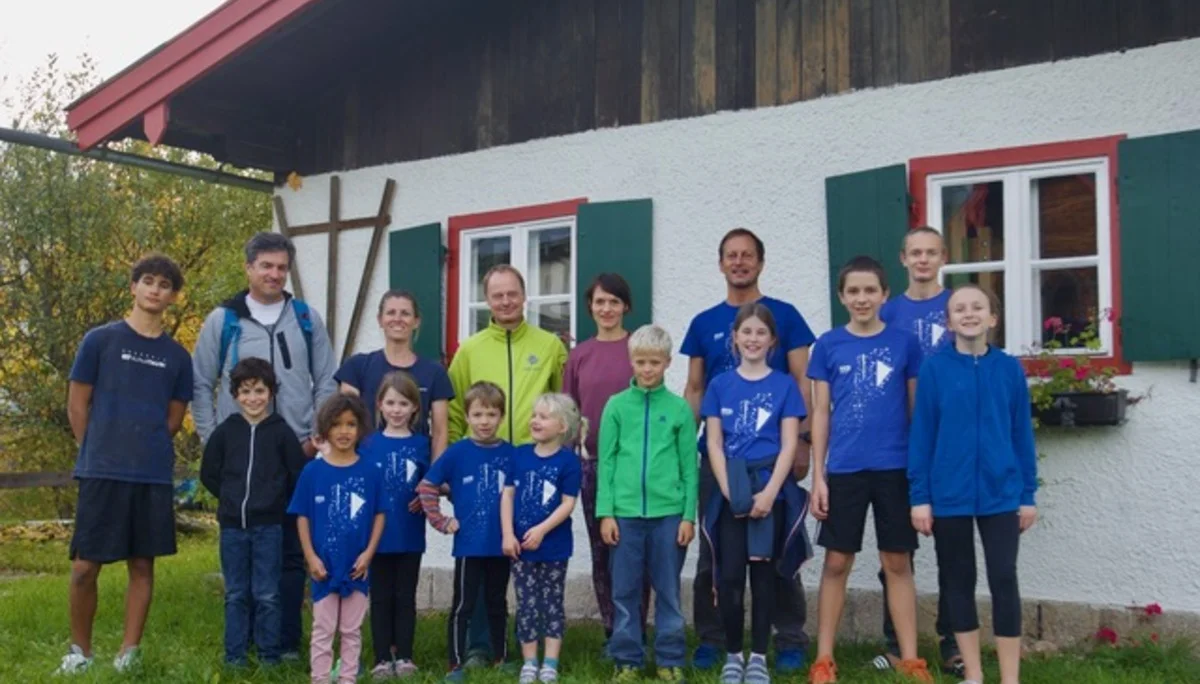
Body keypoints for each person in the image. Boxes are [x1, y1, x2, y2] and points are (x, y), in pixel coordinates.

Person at [193, 231, 338, 659]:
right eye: (266, 266)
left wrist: (315, 437)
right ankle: (245, 643)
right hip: (240, 451)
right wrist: (213, 438)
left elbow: (326, 378)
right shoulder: (224, 321)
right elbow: (202, 382)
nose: (274, 274)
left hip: (296, 448)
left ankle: (285, 642)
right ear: (249, 268)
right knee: (246, 549)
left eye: (281, 267)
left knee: (292, 549)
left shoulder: (306, 318)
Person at [682, 228, 815, 672]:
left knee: (778, 550)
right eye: (731, 256)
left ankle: (789, 637)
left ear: (760, 262)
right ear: (720, 263)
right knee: (715, 550)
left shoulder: (787, 316)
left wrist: (806, 445)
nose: (739, 262)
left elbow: (802, 383)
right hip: (718, 458)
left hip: (773, 455)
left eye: (748, 256)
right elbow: (696, 388)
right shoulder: (703, 323)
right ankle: (712, 637)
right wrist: (687, 449)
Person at [58, 254, 194, 675]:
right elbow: (77, 405)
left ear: (172, 296)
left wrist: (143, 446)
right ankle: (79, 652)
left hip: (150, 474)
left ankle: (128, 653)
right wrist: (97, 449)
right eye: (148, 281)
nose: (155, 289)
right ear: (133, 287)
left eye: (164, 285)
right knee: (84, 568)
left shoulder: (177, 357)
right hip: (101, 471)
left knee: (142, 564)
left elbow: (173, 419)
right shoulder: (99, 340)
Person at [806, 257, 931, 684]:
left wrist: (919, 472)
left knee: (897, 561)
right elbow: (820, 413)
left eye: (870, 291)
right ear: (842, 297)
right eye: (853, 291)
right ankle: (824, 657)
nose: (862, 299)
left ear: (884, 295)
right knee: (837, 561)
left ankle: (910, 659)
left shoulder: (904, 343)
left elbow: (915, 410)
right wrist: (818, 475)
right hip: (844, 468)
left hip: (894, 467)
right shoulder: (827, 345)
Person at [908, 284, 1038, 684]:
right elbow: (922, 436)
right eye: (959, 309)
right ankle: (975, 674)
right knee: (958, 581)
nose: (969, 314)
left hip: (1001, 493)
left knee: (1003, 577)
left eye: (977, 307)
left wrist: (1027, 494)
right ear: (948, 321)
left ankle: (1010, 677)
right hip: (949, 496)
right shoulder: (935, 369)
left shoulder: (1009, 369)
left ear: (992, 318)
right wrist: (920, 498)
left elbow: (1021, 435)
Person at [446, 264, 567, 664]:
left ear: (524, 295)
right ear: (487, 300)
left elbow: (560, 405)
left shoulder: (550, 345)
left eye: (512, 293)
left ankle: (531, 643)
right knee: (484, 553)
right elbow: (454, 413)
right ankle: (481, 644)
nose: (505, 301)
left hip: (534, 469)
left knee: (535, 553)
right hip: (484, 466)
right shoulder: (470, 349)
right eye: (497, 295)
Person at [701, 304, 810, 684]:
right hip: (732, 486)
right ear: (735, 338)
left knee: (764, 576)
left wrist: (769, 494)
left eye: (760, 333)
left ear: (772, 341)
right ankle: (733, 654)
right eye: (746, 332)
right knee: (730, 575)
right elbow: (714, 442)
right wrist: (730, 491)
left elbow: (788, 445)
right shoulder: (720, 385)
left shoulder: (784, 386)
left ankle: (760, 656)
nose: (752, 339)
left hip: (770, 490)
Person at [876, 226, 959, 675]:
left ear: (943, 257)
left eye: (931, 252)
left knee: (951, 544)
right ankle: (894, 641)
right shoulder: (888, 312)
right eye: (915, 253)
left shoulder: (958, 306)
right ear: (903, 259)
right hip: (901, 443)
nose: (923, 260)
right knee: (897, 546)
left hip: (950, 440)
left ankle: (952, 639)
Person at [596, 324, 697, 683]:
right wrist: (606, 512)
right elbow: (605, 461)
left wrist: (688, 515)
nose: (647, 369)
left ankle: (670, 658)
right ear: (631, 362)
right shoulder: (616, 407)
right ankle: (628, 659)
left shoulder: (680, 409)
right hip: (624, 516)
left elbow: (689, 467)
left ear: (668, 362)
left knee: (668, 589)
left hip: (668, 515)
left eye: (655, 362)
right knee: (624, 589)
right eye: (640, 361)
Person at [200, 358, 307, 667]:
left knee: (267, 594)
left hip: (269, 527)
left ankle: (269, 656)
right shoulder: (226, 432)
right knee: (236, 593)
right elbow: (209, 473)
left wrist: (275, 502)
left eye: (259, 390)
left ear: (271, 393)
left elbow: (296, 475)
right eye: (245, 391)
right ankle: (235, 656)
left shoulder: (281, 432)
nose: (253, 398)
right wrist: (231, 499)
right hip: (232, 527)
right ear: (235, 395)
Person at [562, 273, 649, 647]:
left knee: (634, 551)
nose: (607, 309)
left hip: (637, 467)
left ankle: (637, 630)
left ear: (625, 306)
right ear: (590, 307)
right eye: (600, 302)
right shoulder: (579, 355)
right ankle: (612, 630)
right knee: (603, 551)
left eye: (614, 301)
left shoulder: (638, 348)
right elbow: (569, 413)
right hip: (592, 465)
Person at [418, 382, 516, 683]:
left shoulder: (511, 454)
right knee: (464, 605)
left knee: (498, 603)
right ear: (468, 416)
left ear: (501, 416)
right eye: (477, 414)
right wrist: (441, 521)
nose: (484, 421)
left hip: (500, 545)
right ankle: (456, 664)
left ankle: (501, 657)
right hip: (468, 546)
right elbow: (426, 486)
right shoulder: (457, 452)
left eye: (491, 414)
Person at [288, 394, 386, 684]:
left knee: (352, 630)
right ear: (325, 429)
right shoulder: (313, 471)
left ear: (360, 429)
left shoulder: (370, 471)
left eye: (351, 424)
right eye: (337, 424)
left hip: (357, 565)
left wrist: (368, 554)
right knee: (323, 629)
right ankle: (319, 678)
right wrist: (311, 557)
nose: (344, 431)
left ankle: (347, 678)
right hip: (323, 567)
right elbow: (301, 516)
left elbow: (380, 514)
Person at [501, 393, 583, 684]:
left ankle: (550, 662)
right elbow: (508, 494)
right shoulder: (519, 455)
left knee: (551, 602)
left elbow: (567, 503)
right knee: (526, 603)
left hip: (554, 547)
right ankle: (529, 662)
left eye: (544, 417)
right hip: (520, 548)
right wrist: (509, 534)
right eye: (534, 415)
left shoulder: (569, 462)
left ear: (562, 426)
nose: (535, 421)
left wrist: (541, 530)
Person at [359, 371, 432, 679]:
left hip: (410, 533)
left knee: (405, 596)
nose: (396, 409)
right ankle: (379, 658)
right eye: (390, 402)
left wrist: (426, 495)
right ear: (379, 405)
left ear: (415, 407)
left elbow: (431, 483)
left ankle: (404, 655)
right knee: (380, 597)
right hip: (377, 537)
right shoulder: (368, 444)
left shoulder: (422, 445)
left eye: (404, 403)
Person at [336, 289, 454, 459]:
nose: (397, 319)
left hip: (415, 467)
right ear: (380, 320)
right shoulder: (357, 367)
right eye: (391, 313)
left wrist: (433, 479)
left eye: (405, 313)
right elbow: (345, 423)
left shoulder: (434, 372)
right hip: (366, 466)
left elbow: (440, 432)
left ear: (416, 321)